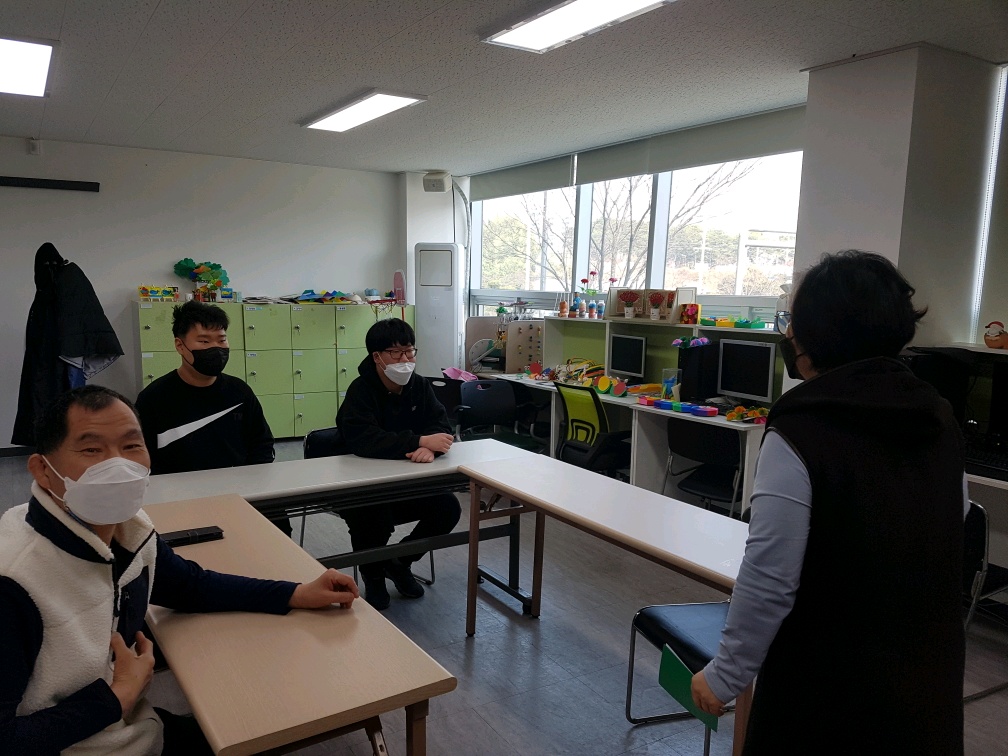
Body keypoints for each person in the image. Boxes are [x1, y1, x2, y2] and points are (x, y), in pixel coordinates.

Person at [690, 250, 968, 754]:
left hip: (825, 690)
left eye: (793, 324)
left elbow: (770, 574)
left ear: (815, 336)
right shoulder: (938, 416)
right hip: (925, 681)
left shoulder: (802, 426)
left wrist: (726, 674)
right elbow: (955, 518)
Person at [0, 385, 359, 754]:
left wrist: (296, 593)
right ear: (43, 470)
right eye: (92, 450)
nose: (118, 466)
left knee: (256, 722)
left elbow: (190, 586)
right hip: (88, 741)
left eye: (131, 446)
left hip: (128, 729)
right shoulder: (15, 581)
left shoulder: (129, 529)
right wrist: (117, 698)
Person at [134, 300, 292, 536]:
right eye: (204, 341)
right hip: (181, 498)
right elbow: (142, 458)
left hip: (241, 490)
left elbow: (261, 442)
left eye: (221, 340)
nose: (216, 348)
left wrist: (251, 482)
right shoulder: (154, 398)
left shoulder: (239, 391)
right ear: (180, 345)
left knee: (277, 531)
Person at [334, 318, 460, 610]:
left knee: (448, 507)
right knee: (373, 516)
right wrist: (418, 441)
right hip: (362, 486)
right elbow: (363, 439)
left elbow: (441, 427)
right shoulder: (360, 390)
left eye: (409, 351)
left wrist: (430, 449)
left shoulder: (420, 386)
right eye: (396, 353)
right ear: (376, 357)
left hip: (408, 481)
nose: (405, 360)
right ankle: (373, 575)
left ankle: (399, 562)